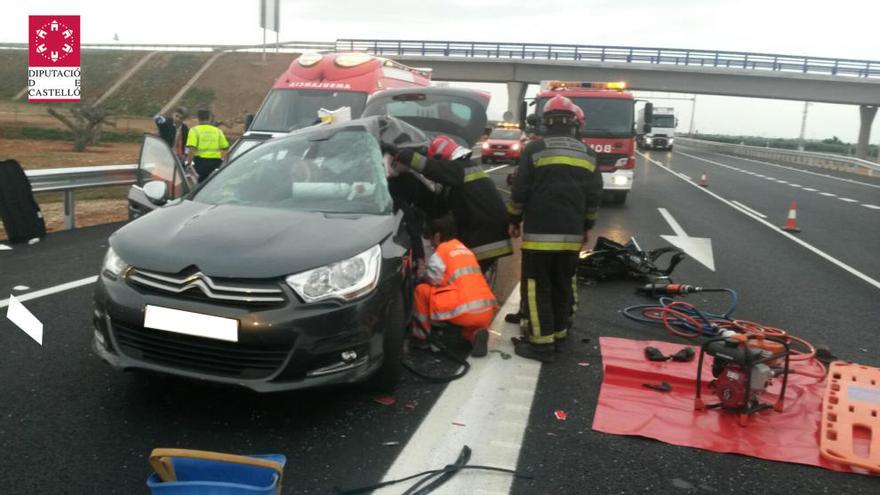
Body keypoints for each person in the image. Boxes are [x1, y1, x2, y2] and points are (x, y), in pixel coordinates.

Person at [506, 95, 602, 363]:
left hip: (539, 236)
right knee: (563, 284)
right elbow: (594, 197)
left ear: (546, 123)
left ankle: (540, 345)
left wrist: (513, 219)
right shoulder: (588, 153)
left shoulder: (534, 150)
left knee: (538, 288)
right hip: (572, 235)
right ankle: (559, 334)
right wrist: (587, 226)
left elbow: (520, 190)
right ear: (573, 123)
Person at [383, 135, 513, 274]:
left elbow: (428, 167)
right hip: (493, 232)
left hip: (484, 237)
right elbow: (442, 206)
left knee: (463, 278)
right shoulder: (467, 168)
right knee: (471, 278)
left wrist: (398, 153)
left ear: (441, 156)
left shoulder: (458, 169)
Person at [412, 216, 499, 357]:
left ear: (438, 236)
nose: (432, 243)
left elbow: (433, 280)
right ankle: (477, 334)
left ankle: (422, 338)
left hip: (463, 311)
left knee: (421, 290)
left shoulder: (442, 251)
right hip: (486, 312)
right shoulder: (466, 250)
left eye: (432, 238)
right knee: (467, 330)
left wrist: (422, 275)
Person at [185, 110, 229, 182]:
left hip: (200, 164)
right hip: (216, 163)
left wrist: (188, 163)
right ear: (209, 118)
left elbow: (192, 149)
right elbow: (225, 148)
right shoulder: (217, 131)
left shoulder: (194, 130)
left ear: (198, 118)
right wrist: (224, 163)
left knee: (201, 185)